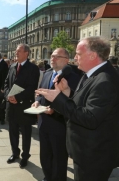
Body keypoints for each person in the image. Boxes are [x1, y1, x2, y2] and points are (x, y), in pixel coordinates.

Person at [35, 37, 119, 180]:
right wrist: (67, 92)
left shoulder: (105, 79)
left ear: (92, 56)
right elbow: (84, 104)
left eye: (78, 54)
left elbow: (90, 118)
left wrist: (58, 100)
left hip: (94, 154)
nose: (75, 57)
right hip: (86, 151)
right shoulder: (92, 75)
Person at [33, 48, 80, 181]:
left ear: (66, 60)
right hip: (43, 122)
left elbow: (73, 102)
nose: (52, 58)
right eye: (51, 56)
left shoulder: (74, 78)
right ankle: (47, 177)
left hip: (59, 125)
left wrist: (55, 110)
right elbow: (40, 93)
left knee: (59, 159)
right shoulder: (47, 74)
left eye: (56, 56)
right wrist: (36, 102)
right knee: (45, 156)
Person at [4, 44, 40, 168]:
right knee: (12, 131)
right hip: (11, 106)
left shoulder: (33, 68)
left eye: (19, 51)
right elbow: (6, 83)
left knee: (26, 133)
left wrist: (17, 98)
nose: (16, 52)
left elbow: (32, 88)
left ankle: (25, 156)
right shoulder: (12, 66)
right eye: (16, 50)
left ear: (26, 53)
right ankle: (15, 153)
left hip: (24, 106)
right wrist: (8, 96)